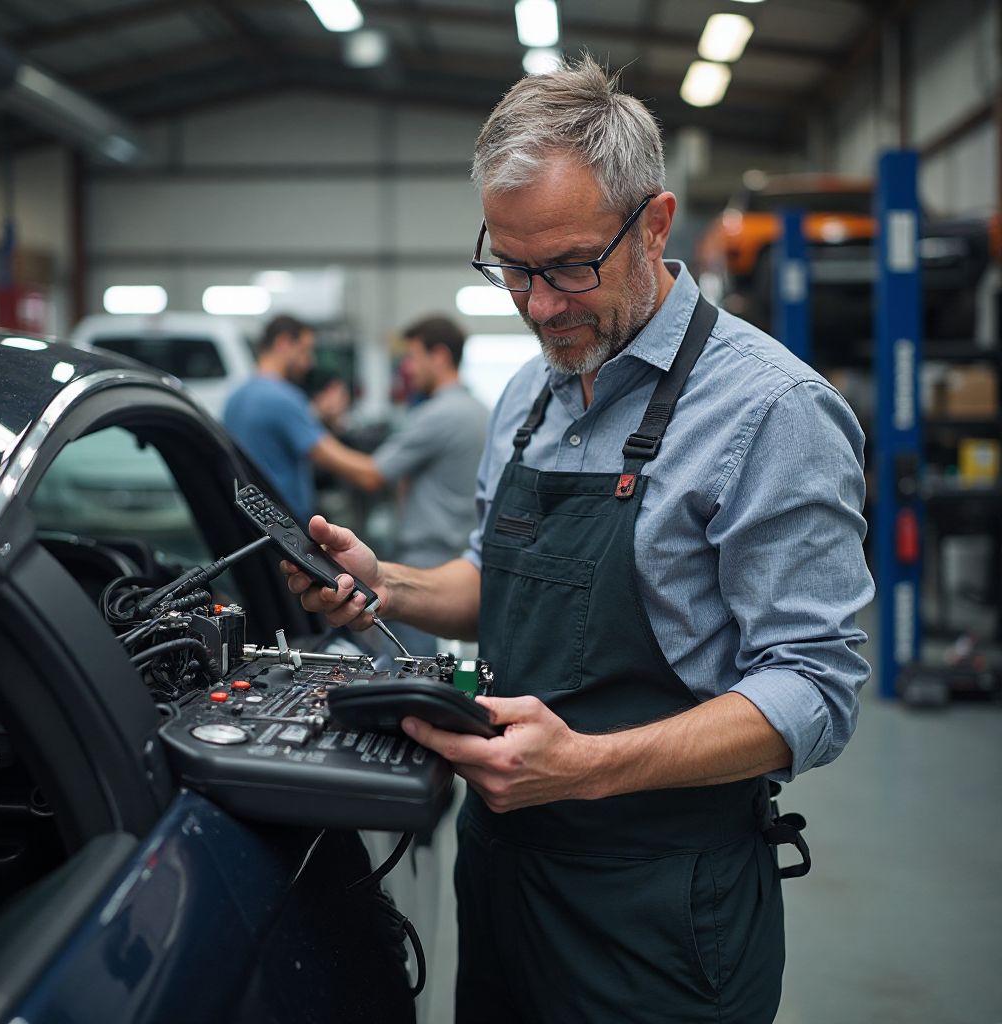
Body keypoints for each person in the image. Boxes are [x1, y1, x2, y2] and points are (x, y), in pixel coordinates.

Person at [282, 56, 874, 1024]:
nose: (541, 305)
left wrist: (588, 766)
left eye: (566, 266)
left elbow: (812, 685)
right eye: (512, 269)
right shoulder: (529, 391)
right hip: (505, 870)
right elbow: (495, 575)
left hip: (656, 905)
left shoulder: (772, 411)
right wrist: (381, 580)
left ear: (652, 223)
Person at [315, 316, 489, 653]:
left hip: (425, 558)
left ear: (438, 356)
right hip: (458, 555)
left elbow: (372, 474)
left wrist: (312, 439)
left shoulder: (441, 414)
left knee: (405, 664)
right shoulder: (480, 409)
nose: (408, 368)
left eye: (412, 357)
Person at [223, 314, 326, 526]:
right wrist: (375, 470)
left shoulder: (235, 397)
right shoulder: (284, 397)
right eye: (305, 350)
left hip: (250, 521)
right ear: (284, 343)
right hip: (286, 524)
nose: (310, 361)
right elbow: (329, 455)